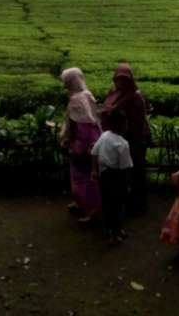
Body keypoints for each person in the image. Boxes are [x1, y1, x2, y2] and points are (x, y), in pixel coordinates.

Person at [100, 63, 150, 215]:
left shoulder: (136, 96)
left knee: (134, 173)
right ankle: (125, 204)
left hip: (132, 140)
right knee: (120, 174)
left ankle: (137, 206)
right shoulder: (113, 92)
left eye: (124, 79)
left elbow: (138, 122)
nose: (121, 82)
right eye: (118, 79)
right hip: (116, 138)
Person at [59, 67, 102, 223]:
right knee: (85, 177)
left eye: (66, 82)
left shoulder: (76, 100)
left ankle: (91, 211)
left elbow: (78, 125)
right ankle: (82, 204)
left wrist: (66, 138)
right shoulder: (87, 95)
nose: (65, 86)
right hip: (92, 143)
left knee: (83, 179)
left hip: (82, 146)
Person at [91, 109, 133, 245]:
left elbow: (94, 152)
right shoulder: (123, 144)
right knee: (118, 207)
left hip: (104, 176)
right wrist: (126, 184)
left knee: (107, 205)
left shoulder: (104, 135)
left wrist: (94, 170)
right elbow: (124, 168)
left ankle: (110, 230)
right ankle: (115, 234)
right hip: (117, 178)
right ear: (121, 125)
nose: (127, 125)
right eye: (126, 123)